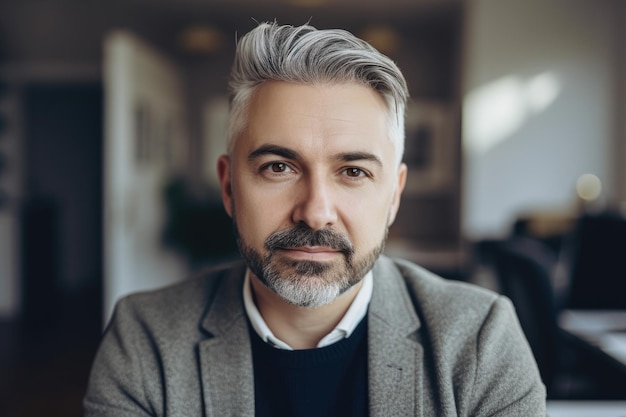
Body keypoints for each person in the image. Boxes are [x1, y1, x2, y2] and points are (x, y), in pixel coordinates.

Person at [84, 22, 546, 416]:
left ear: (394, 196)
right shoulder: (145, 339)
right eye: (278, 167)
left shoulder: (481, 339)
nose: (316, 211)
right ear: (228, 187)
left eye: (353, 171)